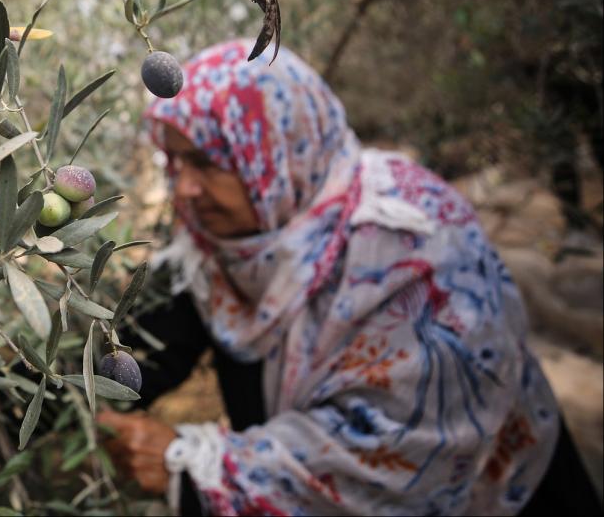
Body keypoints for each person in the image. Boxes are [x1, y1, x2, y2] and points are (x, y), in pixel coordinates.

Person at [95, 38, 602, 515]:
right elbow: (137, 350)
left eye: (205, 161)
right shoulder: (216, 252)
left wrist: (192, 466)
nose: (182, 189)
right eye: (174, 160)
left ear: (277, 156)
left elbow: (402, 454)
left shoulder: (419, 250)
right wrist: (41, 387)